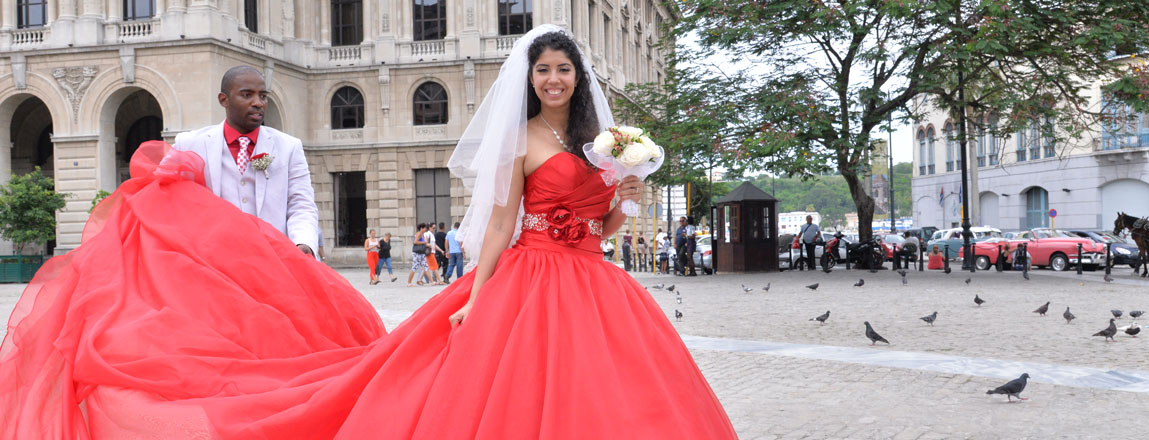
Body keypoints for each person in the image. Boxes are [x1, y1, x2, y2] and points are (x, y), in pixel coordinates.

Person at [0, 25, 735, 438]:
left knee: (613, 394)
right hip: (529, 274)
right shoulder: (519, 142)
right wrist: (477, 294)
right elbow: (504, 223)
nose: (553, 80)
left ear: (578, 80)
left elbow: (601, 228)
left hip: (593, 281)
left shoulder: (597, 144)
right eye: (543, 69)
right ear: (531, 76)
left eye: (562, 71)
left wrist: (629, 196)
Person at [173, 65, 318, 257]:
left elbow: (301, 204)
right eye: (247, 95)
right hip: (212, 262)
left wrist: (303, 242)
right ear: (223, 99)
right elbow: (172, 202)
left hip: (274, 260)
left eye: (263, 96)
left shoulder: (289, 147)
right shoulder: (189, 144)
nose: (258, 103)